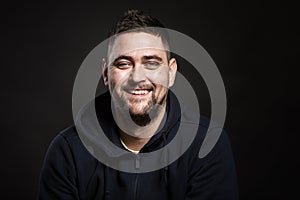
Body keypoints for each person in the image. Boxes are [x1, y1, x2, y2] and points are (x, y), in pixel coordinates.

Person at [37, 9, 238, 200]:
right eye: (124, 64)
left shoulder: (206, 145)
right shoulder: (68, 151)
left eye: (151, 63)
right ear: (106, 74)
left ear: (171, 73)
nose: (137, 77)